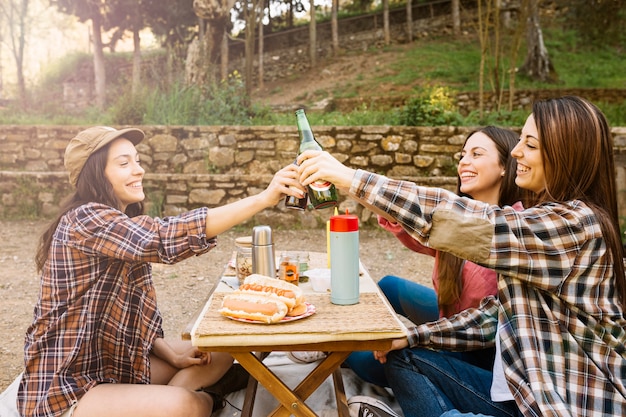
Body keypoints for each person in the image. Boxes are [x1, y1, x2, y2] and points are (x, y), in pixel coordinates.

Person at [297, 96, 626, 416]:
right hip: (522, 392)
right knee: (403, 354)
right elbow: (495, 316)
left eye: (530, 144)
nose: (516, 152)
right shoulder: (543, 222)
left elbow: (468, 222)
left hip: (558, 406)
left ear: (565, 154)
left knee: (381, 355)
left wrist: (352, 178)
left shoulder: (575, 225)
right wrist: (411, 336)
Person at [17, 126, 305, 417]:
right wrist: (263, 199)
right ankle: (204, 398)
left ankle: (182, 393)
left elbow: (129, 312)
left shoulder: (123, 223)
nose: (138, 170)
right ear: (95, 173)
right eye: (124, 163)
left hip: (115, 369)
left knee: (220, 349)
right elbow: (164, 237)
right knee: (186, 405)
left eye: (137, 160)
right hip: (66, 388)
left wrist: (172, 354)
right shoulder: (85, 219)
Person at [345, 126, 526, 388]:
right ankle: (348, 340)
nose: (464, 162)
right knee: (388, 286)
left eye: (477, 154)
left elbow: (486, 325)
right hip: (452, 316)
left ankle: (338, 349)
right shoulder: (458, 219)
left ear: (505, 167)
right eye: (463, 155)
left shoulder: (516, 229)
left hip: (478, 346)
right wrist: (348, 184)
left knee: (362, 359)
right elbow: (400, 215)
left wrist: (414, 337)